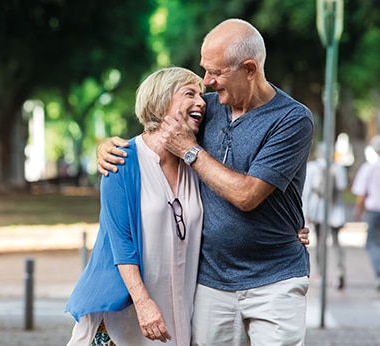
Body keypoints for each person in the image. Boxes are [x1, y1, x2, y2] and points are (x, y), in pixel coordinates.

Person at [97, 18, 313, 345]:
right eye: (204, 71)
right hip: (211, 285)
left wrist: (191, 150)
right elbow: (158, 130)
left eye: (216, 73)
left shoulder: (291, 119)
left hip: (275, 281)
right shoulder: (207, 108)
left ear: (250, 69)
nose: (207, 82)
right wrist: (105, 147)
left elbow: (247, 195)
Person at [64, 67, 207, 345]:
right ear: (162, 100)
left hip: (178, 310)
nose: (202, 102)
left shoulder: (198, 163)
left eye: (202, 95)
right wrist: (144, 303)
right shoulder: (122, 160)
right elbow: (122, 243)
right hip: (126, 312)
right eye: (190, 93)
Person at [302, 142, 347, 289]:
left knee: (320, 242)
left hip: (318, 211)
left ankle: (320, 274)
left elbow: (307, 191)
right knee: (336, 242)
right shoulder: (338, 168)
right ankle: (339, 271)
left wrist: (306, 212)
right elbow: (342, 187)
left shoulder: (313, 167)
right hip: (335, 212)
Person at [352, 134, 380, 291]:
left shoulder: (369, 168)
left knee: (373, 243)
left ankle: (379, 274)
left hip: (375, 211)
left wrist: (358, 211)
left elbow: (362, 194)